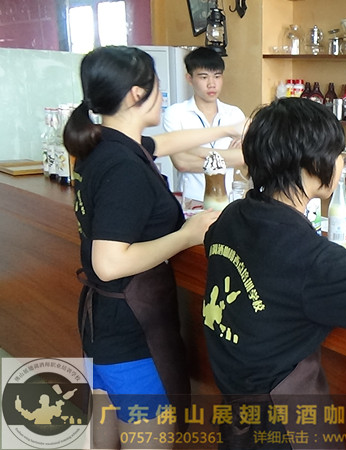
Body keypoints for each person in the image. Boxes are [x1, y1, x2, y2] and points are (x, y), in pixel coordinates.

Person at [202, 97, 346, 449]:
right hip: (283, 429)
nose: (341, 162)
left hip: (235, 415)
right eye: (339, 154)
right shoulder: (311, 258)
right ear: (312, 164)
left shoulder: (234, 216)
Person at [63, 45, 245, 449]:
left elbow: (165, 143)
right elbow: (109, 262)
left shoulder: (107, 145)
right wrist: (187, 235)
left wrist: (226, 129)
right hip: (130, 334)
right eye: (158, 88)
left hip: (105, 326)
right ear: (136, 94)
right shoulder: (124, 168)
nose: (162, 97)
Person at [164, 46, 247, 203]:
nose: (211, 84)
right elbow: (182, 163)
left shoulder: (234, 114)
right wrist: (228, 156)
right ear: (189, 79)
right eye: (203, 77)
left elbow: (242, 159)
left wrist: (193, 150)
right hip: (192, 202)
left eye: (217, 76)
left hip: (227, 201)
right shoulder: (175, 113)